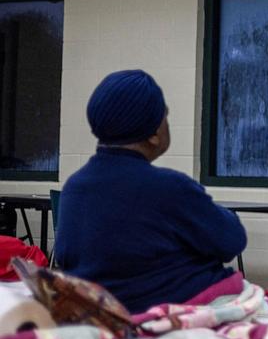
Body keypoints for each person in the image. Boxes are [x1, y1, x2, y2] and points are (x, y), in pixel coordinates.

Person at [55, 70, 247, 314]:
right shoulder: (169, 187)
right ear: (154, 134)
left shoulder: (74, 188)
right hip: (174, 308)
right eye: (165, 116)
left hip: (101, 312)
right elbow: (232, 240)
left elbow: (66, 257)